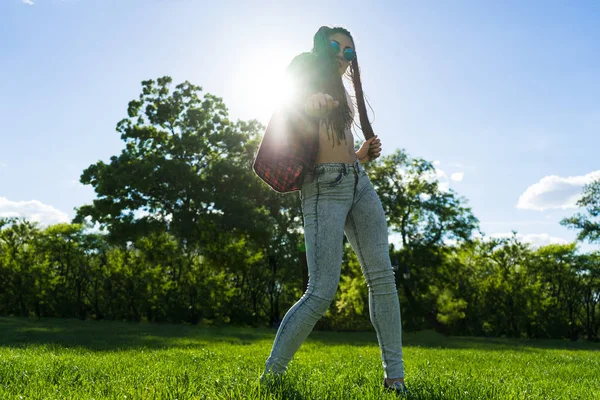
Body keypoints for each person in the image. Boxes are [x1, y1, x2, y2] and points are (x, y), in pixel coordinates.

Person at [260, 25, 408, 395]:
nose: (343, 55)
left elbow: (334, 142)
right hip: (323, 187)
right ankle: (271, 376)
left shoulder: (344, 91)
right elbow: (293, 100)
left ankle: (395, 379)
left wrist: (360, 155)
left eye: (350, 51)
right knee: (321, 291)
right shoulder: (306, 66)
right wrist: (308, 103)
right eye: (337, 47)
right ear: (321, 46)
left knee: (383, 277)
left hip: (357, 182)